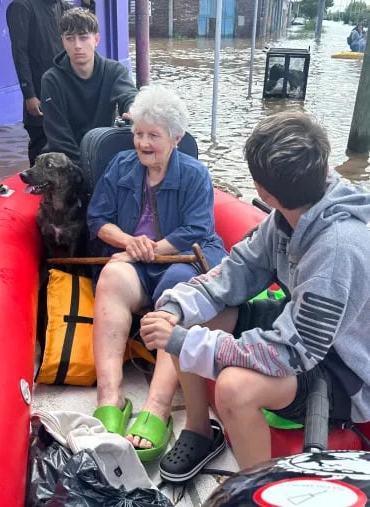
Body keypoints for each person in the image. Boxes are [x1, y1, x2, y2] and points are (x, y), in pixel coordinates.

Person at [140, 112, 370, 482]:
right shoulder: (285, 218)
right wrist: (176, 307)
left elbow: (292, 353)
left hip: (344, 369)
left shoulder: (338, 249)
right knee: (188, 317)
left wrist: (190, 344)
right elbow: (237, 272)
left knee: (234, 388)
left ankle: (258, 487)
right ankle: (201, 430)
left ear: (263, 192)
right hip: (305, 331)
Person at [87, 84, 227, 462]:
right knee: (113, 278)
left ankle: (157, 407)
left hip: (181, 260)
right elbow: (98, 219)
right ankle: (110, 398)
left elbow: (195, 231)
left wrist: (150, 250)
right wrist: (130, 244)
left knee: (177, 293)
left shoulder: (196, 175)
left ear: (176, 138)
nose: (143, 143)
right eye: (138, 134)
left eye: (153, 135)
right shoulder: (120, 167)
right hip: (134, 260)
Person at [40, 8, 138, 164]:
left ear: (96, 40)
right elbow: (58, 137)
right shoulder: (51, 80)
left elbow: (128, 94)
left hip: (100, 149)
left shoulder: (115, 71)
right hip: (65, 160)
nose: (77, 45)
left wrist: (133, 109)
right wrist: (85, 170)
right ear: (63, 41)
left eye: (84, 37)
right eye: (70, 38)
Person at [6, 0, 70, 166]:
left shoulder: (62, 7)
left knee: (66, 147)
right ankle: (37, 188)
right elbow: (20, 53)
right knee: (41, 148)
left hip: (63, 93)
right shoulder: (22, 7)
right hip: (38, 94)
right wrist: (30, 95)